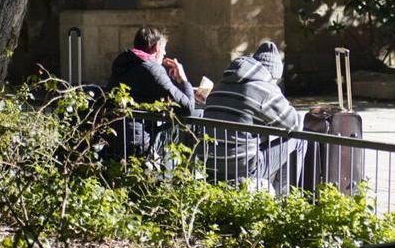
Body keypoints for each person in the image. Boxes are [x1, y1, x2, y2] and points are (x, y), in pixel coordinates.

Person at [198, 40, 305, 193]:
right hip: (242, 169)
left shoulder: (221, 85)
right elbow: (295, 124)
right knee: (298, 139)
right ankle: (285, 199)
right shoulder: (264, 89)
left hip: (211, 165)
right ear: (273, 75)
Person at [105, 25, 197, 158]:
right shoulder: (152, 69)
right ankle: (191, 174)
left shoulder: (124, 62)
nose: (165, 54)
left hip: (113, 141)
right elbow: (187, 107)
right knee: (197, 116)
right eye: (164, 49)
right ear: (157, 48)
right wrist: (183, 80)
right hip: (138, 144)